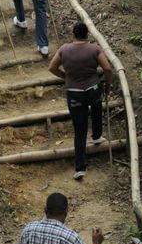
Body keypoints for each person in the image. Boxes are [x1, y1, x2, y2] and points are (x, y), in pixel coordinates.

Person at [48, 22, 113, 180]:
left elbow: (52, 67)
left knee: (79, 130)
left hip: (74, 94)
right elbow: (108, 68)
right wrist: (107, 85)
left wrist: (66, 77)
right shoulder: (94, 49)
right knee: (97, 106)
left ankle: (80, 168)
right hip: (93, 89)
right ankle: (97, 135)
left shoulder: (64, 49)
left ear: (73, 34)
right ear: (87, 34)